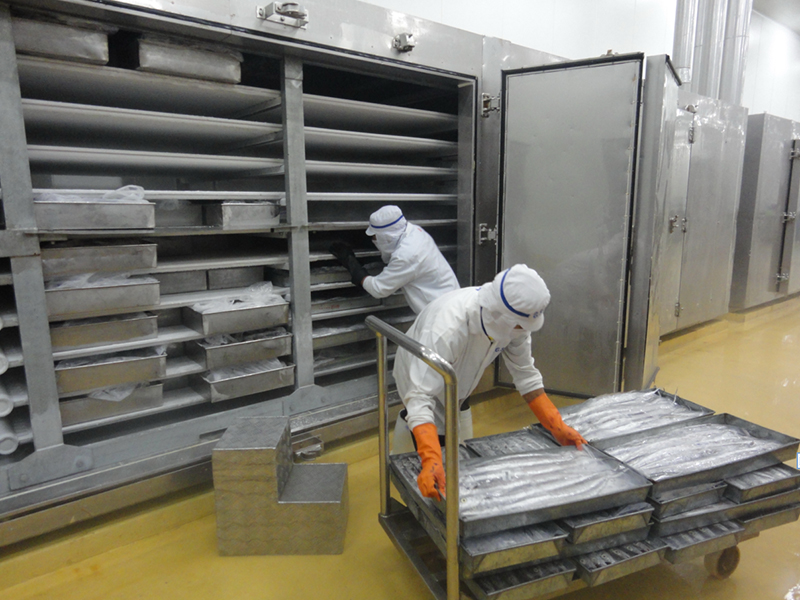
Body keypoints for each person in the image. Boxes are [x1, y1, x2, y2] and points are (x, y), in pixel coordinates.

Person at [392, 264, 587, 500]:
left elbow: (525, 373)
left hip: (457, 373)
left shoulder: (513, 322)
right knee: (430, 430)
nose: (522, 331)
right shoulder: (447, 329)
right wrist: (431, 459)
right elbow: (420, 395)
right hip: (417, 370)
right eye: (519, 326)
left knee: (451, 422)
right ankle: (408, 477)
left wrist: (556, 426)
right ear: (500, 315)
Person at [328, 205, 460, 314]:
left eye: (375, 237)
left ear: (386, 237)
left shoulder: (407, 256)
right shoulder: (414, 231)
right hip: (450, 302)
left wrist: (352, 264)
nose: (373, 240)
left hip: (441, 314)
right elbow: (392, 248)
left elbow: (378, 289)